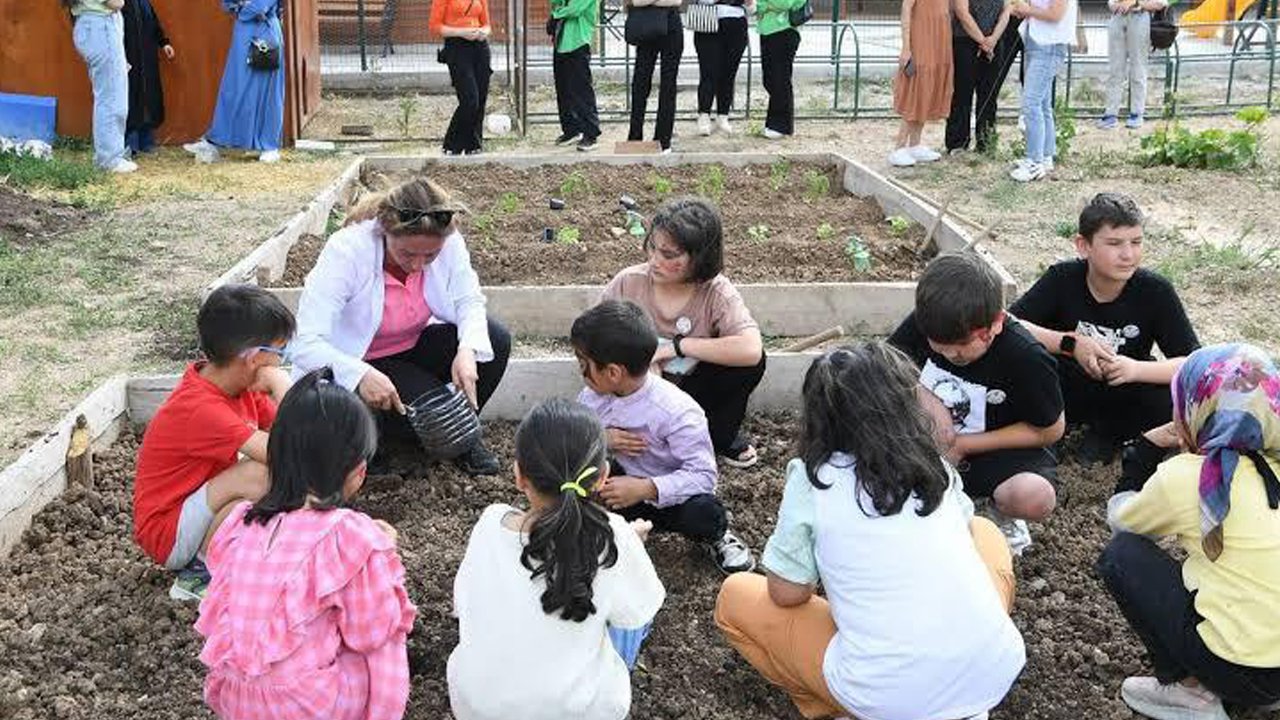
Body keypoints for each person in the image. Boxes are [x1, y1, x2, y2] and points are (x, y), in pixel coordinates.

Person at [715, 342, 1026, 720]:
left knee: (735, 596)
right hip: (993, 671)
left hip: (886, 694)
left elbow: (787, 592)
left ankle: (833, 707)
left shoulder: (816, 479)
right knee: (984, 530)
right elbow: (960, 534)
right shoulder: (933, 465)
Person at [195, 368, 417, 720]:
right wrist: (381, 555)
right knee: (387, 636)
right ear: (358, 471)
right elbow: (368, 632)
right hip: (304, 706)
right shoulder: (351, 535)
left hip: (235, 700)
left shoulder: (241, 522)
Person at [448, 398, 666, 720]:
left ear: (519, 475)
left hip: (478, 708)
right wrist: (630, 547)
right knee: (624, 625)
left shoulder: (490, 525)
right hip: (579, 712)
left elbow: (463, 605)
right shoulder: (614, 537)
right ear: (602, 476)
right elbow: (638, 612)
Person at [1098, 343, 1280, 720]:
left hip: (1243, 669)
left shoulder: (1188, 476)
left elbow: (1122, 521)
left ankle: (1189, 692)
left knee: (1122, 555)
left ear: (1196, 409)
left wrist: (1146, 450)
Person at [290, 176, 511, 476]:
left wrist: (467, 349)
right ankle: (381, 442)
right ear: (385, 231)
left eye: (430, 256)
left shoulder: (449, 241)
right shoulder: (348, 251)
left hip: (411, 345)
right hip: (361, 356)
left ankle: (462, 438)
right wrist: (359, 373)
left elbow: (468, 300)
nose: (418, 264)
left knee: (494, 340)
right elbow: (305, 343)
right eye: (407, 254)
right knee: (431, 404)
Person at [889, 251, 1064, 553]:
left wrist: (965, 444)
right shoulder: (931, 320)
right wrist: (928, 400)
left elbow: (1051, 430)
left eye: (961, 347)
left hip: (999, 450)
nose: (951, 356)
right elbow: (889, 365)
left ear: (996, 323)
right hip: (929, 444)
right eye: (940, 347)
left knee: (1035, 495)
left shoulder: (1026, 357)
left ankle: (996, 514)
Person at [133, 285, 294, 601]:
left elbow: (294, 431)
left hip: (194, 512)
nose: (281, 363)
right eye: (279, 353)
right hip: (168, 533)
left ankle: (232, 557)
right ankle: (198, 574)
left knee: (259, 486)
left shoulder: (239, 390)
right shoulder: (201, 408)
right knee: (259, 474)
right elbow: (289, 451)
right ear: (253, 358)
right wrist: (282, 384)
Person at [1010, 193, 1199, 463]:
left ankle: (1110, 435)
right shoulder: (1062, 279)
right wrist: (1071, 344)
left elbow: (1194, 363)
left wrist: (1134, 368)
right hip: (1064, 387)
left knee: (1178, 399)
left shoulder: (1155, 291)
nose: (1128, 254)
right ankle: (1052, 431)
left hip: (1123, 391)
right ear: (1083, 245)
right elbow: (1009, 325)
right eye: (1114, 243)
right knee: (1024, 366)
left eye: (1136, 242)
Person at [571, 300, 756, 574]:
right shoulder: (591, 399)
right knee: (577, 476)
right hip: (620, 492)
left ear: (613, 372)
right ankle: (595, 533)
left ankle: (719, 537)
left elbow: (703, 476)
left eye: (583, 363)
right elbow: (572, 439)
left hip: (673, 498)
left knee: (703, 512)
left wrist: (645, 488)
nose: (580, 370)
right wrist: (601, 439)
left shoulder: (676, 411)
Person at [603, 197, 765, 468]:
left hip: (693, 391)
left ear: (699, 258)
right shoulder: (628, 284)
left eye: (669, 255)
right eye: (652, 248)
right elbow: (594, 342)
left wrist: (676, 347)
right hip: (635, 395)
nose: (654, 260)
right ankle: (644, 441)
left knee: (750, 364)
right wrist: (641, 369)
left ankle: (715, 437)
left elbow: (750, 349)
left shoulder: (716, 291)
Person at [182, 0, 285, 164]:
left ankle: (269, 146)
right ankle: (215, 141)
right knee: (233, 88)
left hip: (264, 35)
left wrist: (243, 8)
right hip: (243, 35)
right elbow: (227, 3)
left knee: (267, 92)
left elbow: (260, 6)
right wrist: (242, 6)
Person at [1008, 0, 1078, 181]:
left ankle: (1034, 162)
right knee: (1043, 105)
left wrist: (1027, 9)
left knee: (1031, 103)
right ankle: (1045, 156)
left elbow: (1056, 14)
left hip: (1049, 46)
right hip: (1038, 43)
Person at [66, 0, 136, 173]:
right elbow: (116, 3)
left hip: (92, 26)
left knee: (107, 95)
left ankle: (109, 155)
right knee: (112, 98)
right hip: (101, 27)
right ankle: (109, 159)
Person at [888, 0, 953, 166]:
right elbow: (906, 8)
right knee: (917, 88)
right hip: (921, 37)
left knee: (928, 88)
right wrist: (906, 47)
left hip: (939, 38)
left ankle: (915, 144)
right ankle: (899, 147)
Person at [945, 0, 1012, 154]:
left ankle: (985, 143)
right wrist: (983, 41)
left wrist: (993, 39)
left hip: (994, 43)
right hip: (965, 41)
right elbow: (962, 12)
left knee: (989, 95)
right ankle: (957, 143)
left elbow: (1006, 11)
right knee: (962, 94)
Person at [431, 0, 493, 156]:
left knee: (481, 98)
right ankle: (452, 143)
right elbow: (435, 26)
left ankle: (474, 144)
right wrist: (461, 32)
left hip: (480, 47)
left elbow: (487, 25)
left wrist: (483, 32)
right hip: (457, 48)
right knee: (470, 100)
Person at [1098, 0, 1169, 130]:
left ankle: (1137, 113)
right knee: (1115, 70)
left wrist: (1136, 3)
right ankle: (1111, 113)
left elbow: (1161, 3)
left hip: (1139, 17)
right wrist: (1115, 5)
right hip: (1117, 18)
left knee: (1138, 68)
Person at [626, 0, 684, 153]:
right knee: (640, 82)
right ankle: (634, 137)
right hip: (645, 23)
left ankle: (664, 139)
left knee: (669, 84)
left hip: (671, 23)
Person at [692, 0, 752, 136]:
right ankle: (704, 115)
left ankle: (723, 116)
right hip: (708, 20)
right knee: (708, 72)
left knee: (729, 74)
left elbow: (751, 7)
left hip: (737, 22)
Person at [122, 0, 173, 155]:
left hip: (147, 60)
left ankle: (146, 141)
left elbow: (154, 23)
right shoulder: (120, 3)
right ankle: (130, 144)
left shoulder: (144, 3)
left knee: (149, 98)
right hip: (128, 60)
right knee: (130, 98)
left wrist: (164, 43)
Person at [550, 0, 602, 151]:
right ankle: (571, 129)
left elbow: (575, 9)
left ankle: (591, 133)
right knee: (563, 89)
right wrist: (557, 11)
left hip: (578, 42)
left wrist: (556, 14)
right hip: (561, 42)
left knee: (581, 90)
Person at [756, 0, 803, 140]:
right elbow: (756, 7)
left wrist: (764, 5)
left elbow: (784, 4)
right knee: (769, 79)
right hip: (767, 30)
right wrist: (765, 5)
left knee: (780, 79)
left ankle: (781, 125)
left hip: (784, 30)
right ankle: (774, 123)